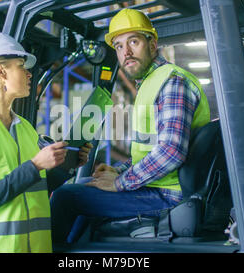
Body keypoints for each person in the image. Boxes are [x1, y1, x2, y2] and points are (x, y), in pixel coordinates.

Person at [50, 8, 210, 243]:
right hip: (160, 187)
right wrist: (120, 170)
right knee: (85, 184)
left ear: (152, 44)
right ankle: (73, 247)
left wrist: (120, 183)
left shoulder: (172, 82)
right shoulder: (150, 84)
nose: (126, 52)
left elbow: (171, 152)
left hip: (169, 195)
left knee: (65, 197)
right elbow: (151, 148)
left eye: (133, 41)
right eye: (119, 46)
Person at [0, 32, 92, 253]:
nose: (29, 73)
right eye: (21, 66)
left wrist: (66, 164)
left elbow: (35, 189)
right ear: (0, 71)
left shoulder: (24, 128)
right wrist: (36, 165)